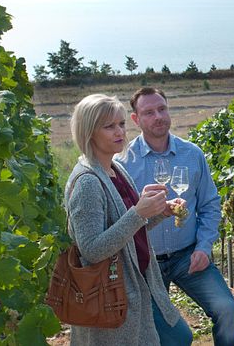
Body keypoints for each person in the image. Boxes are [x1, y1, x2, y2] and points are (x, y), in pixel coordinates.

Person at [65, 94, 192, 345]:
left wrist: (159, 212)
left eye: (121, 124)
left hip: (140, 282)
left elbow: (130, 229)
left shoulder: (115, 169)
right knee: (177, 338)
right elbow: (91, 249)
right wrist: (139, 213)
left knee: (179, 337)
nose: (119, 132)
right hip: (116, 291)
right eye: (109, 126)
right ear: (89, 132)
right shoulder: (88, 182)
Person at [118, 87, 234, 346]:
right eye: (149, 112)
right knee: (160, 335)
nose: (158, 117)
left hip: (188, 255)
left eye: (162, 109)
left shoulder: (192, 154)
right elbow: (122, 219)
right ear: (135, 119)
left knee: (227, 310)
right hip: (146, 263)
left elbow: (210, 205)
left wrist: (204, 247)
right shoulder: (122, 162)